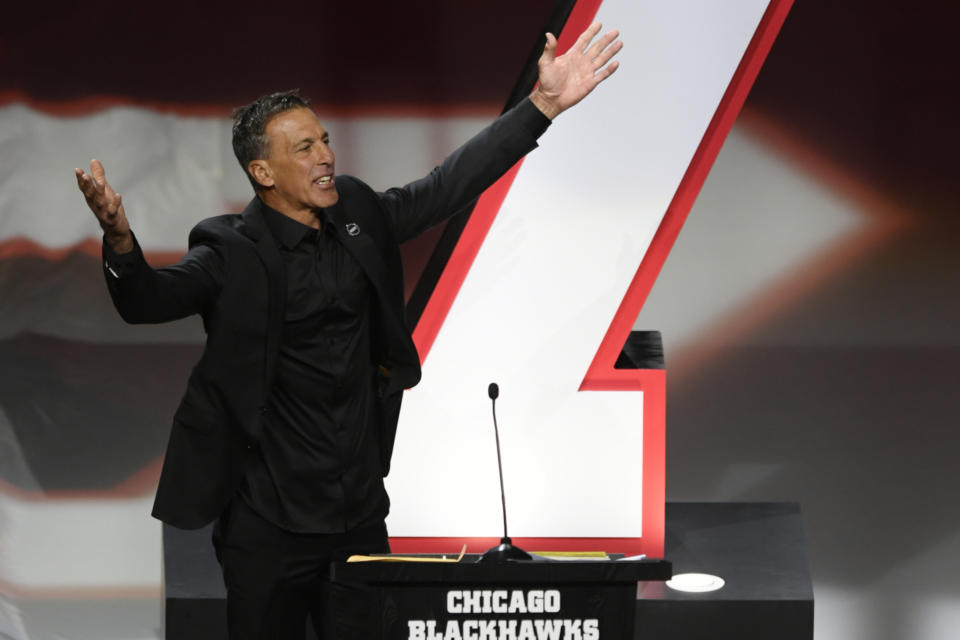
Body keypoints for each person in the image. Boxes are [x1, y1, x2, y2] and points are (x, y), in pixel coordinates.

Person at [75, 22, 622, 640]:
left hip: (357, 517)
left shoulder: (358, 213)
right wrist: (119, 238)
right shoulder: (229, 250)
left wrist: (541, 107)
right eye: (303, 148)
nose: (326, 156)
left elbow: (445, 186)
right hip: (267, 526)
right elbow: (148, 300)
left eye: (324, 140)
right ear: (263, 171)